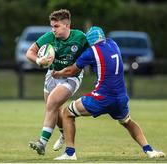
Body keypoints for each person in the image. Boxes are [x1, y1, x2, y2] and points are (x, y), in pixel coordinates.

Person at [52, 26, 166, 160]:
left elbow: (71, 71)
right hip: (121, 98)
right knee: (127, 121)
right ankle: (149, 150)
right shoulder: (113, 43)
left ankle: (70, 153)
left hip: (102, 97)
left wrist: (57, 73)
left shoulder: (92, 51)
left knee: (67, 113)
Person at [26, 9, 88, 155]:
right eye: (52, 26)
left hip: (71, 77)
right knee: (54, 109)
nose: (53, 30)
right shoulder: (49, 37)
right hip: (52, 75)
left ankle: (42, 143)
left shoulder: (80, 37)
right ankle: (63, 133)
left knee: (52, 103)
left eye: (56, 26)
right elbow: (30, 52)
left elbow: (95, 53)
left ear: (67, 25)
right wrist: (38, 60)